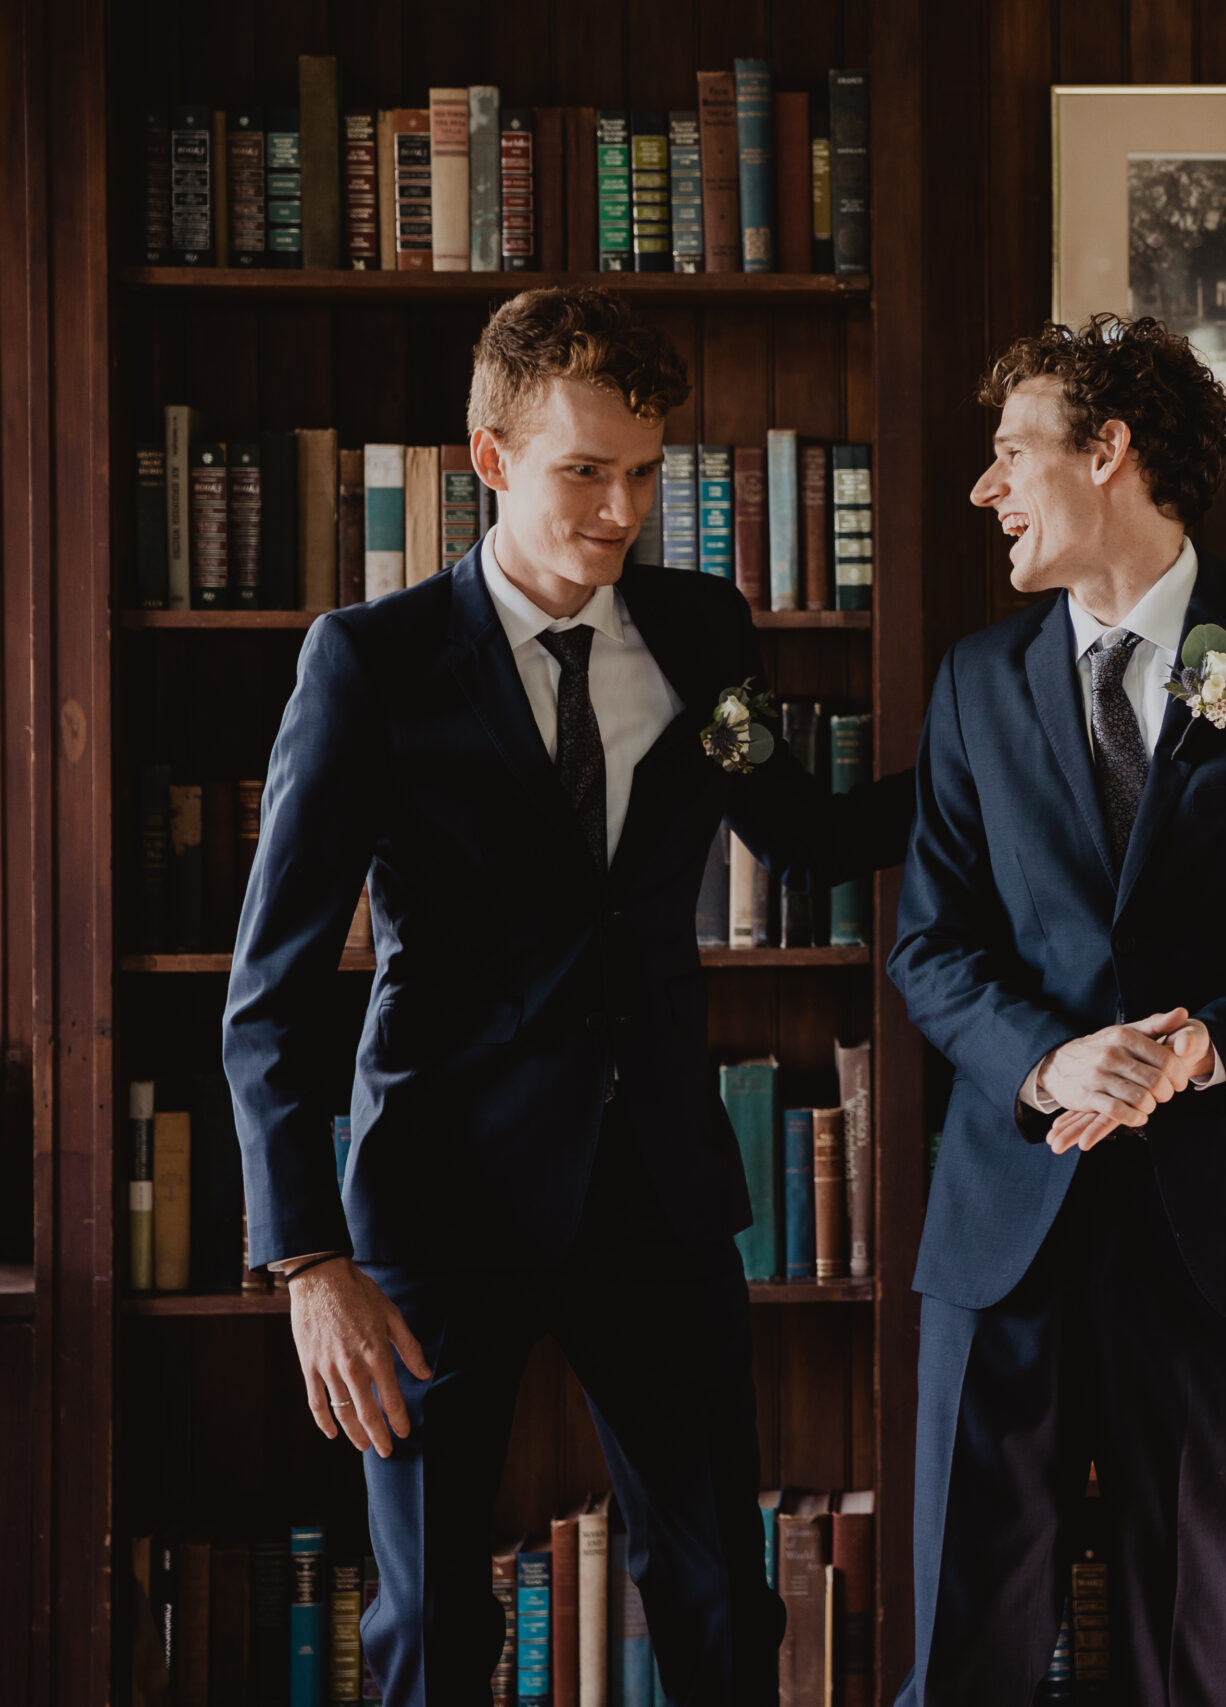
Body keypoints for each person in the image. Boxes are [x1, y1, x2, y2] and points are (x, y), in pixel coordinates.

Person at [224, 286, 915, 1707]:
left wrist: (1007, 733)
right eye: (583, 472)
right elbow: (272, 991)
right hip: (435, 1204)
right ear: (490, 459)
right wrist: (308, 1260)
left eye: (646, 472)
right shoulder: (371, 664)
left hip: (654, 1191)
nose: (620, 510)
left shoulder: (701, 630)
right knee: (430, 1628)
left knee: (720, 1591)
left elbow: (804, 833)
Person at [886, 314, 1226, 1707]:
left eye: (1012, 453)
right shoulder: (972, 682)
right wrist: (1051, 1060)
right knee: (964, 1630)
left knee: (1185, 1630)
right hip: (1011, 1205)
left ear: (1108, 452)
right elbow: (931, 949)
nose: (985, 487)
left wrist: (1212, 1042)